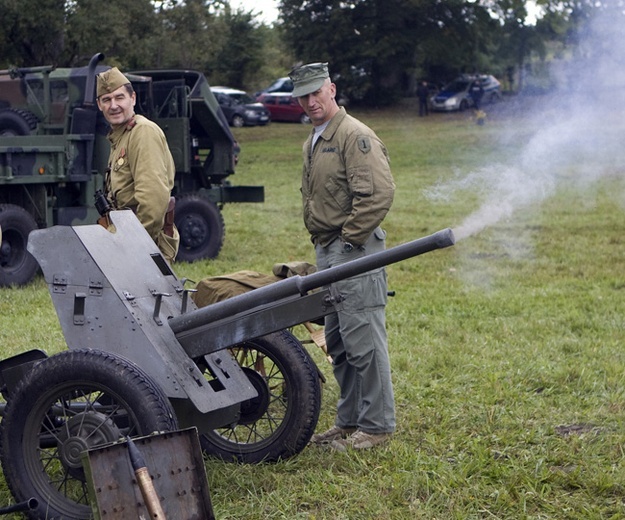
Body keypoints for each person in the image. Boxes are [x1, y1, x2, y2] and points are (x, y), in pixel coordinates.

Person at [289, 62, 396, 451]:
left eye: (317, 92)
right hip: (329, 250)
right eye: (303, 95)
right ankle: (350, 421)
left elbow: (378, 194)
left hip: (354, 248)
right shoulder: (314, 140)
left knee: (363, 338)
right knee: (338, 340)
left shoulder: (354, 135)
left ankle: (378, 425)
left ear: (332, 89)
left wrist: (349, 240)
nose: (311, 101)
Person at [96, 67, 179, 263]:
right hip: (127, 237)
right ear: (99, 105)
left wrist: (135, 247)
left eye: (119, 98)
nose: (113, 105)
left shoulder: (143, 133)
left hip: (144, 245)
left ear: (132, 99)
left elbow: (153, 201)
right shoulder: (121, 136)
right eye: (106, 100)